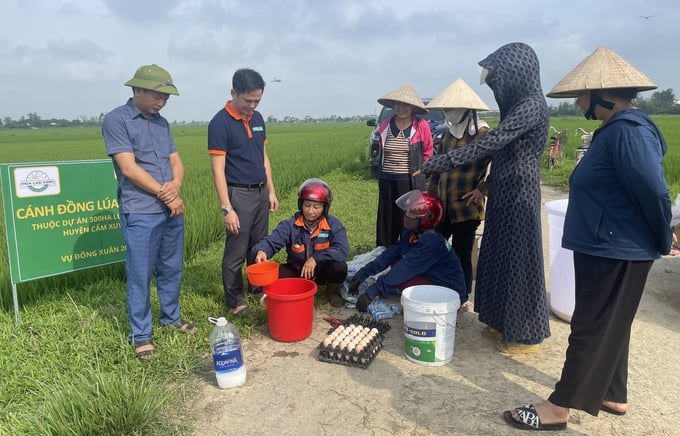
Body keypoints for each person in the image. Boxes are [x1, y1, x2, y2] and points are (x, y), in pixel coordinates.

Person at [503, 46, 674, 431]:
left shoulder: (629, 133)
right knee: (612, 322)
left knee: (589, 326)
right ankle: (614, 392)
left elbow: (654, 192)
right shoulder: (614, 130)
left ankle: (559, 407)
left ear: (604, 94)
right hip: (608, 244)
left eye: (582, 94)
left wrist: (663, 239)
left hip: (617, 249)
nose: (579, 101)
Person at [418, 42, 551, 354]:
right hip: (503, 191)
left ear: (517, 75)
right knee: (497, 256)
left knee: (518, 261)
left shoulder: (531, 106)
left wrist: (439, 162)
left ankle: (523, 334)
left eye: (498, 82)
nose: (496, 89)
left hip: (520, 193)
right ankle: (499, 320)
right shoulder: (517, 108)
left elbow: (491, 144)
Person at [102, 64, 197, 360]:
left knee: (171, 267)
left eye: (166, 97)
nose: (162, 102)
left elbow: (176, 161)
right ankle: (141, 334)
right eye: (158, 95)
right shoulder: (116, 120)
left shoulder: (161, 123)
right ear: (138, 90)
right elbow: (128, 168)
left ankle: (171, 318)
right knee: (140, 272)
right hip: (141, 211)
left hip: (170, 207)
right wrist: (166, 195)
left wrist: (175, 185)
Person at [208, 68, 279, 318]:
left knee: (258, 245)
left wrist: (271, 190)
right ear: (233, 93)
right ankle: (235, 301)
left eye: (257, 100)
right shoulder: (220, 123)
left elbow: (263, 157)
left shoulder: (258, 119)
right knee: (236, 250)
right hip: (238, 194)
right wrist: (227, 207)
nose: (252, 105)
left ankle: (255, 288)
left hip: (260, 193)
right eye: (247, 100)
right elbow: (218, 169)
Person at [425, 78, 492, 301]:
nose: (446, 112)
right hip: (444, 206)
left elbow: (501, 166)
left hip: (466, 207)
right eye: (444, 108)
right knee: (438, 248)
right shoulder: (447, 135)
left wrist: (482, 189)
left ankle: (462, 294)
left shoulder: (482, 134)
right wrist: (431, 197)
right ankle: (443, 287)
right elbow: (438, 167)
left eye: (450, 108)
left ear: (465, 109)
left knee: (462, 252)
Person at [348, 190, 465, 313]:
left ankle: (423, 306)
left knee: (400, 274)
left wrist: (372, 292)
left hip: (449, 294)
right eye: (408, 210)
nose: (407, 215)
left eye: (413, 212)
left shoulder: (432, 241)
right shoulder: (414, 234)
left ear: (428, 217)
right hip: (434, 281)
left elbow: (405, 269)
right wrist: (362, 274)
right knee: (395, 262)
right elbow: (390, 254)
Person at [251, 178, 349, 307]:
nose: (310, 211)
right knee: (273, 274)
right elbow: (271, 241)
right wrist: (262, 251)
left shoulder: (333, 225)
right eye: (307, 205)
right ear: (300, 204)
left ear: (325, 208)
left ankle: (332, 291)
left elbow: (342, 249)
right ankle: (279, 292)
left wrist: (316, 259)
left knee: (340, 267)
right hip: (297, 271)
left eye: (317, 207)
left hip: (322, 272)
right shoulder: (290, 224)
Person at [375, 84, 433, 247]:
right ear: (393, 105)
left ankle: (408, 249)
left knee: (409, 217)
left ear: (413, 107)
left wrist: (424, 170)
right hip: (387, 177)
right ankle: (384, 250)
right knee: (387, 217)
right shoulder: (386, 124)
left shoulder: (421, 126)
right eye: (398, 104)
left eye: (406, 104)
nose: (401, 108)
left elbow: (428, 151)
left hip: (409, 179)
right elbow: (381, 148)